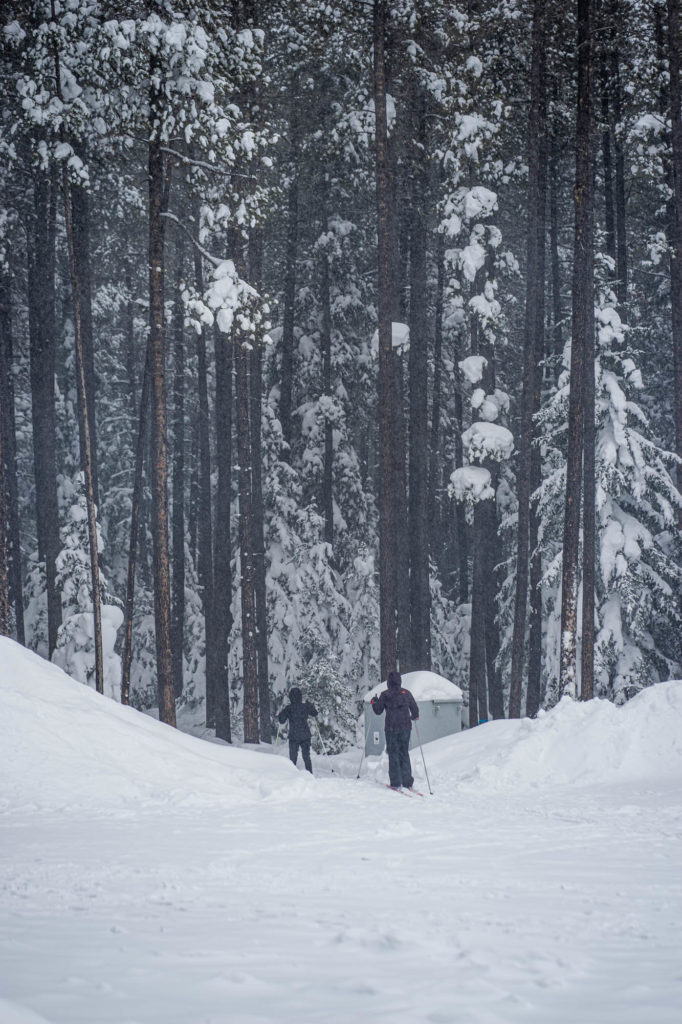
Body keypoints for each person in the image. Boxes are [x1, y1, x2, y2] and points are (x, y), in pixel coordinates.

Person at [371, 670, 419, 789]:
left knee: (393, 754)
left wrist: (374, 702)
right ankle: (407, 781)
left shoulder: (385, 694)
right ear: (399, 681)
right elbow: (415, 708)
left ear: (389, 682)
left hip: (391, 728)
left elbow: (378, 711)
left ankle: (396, 782)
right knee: (404, 753)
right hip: (405, 727)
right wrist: (414, 716)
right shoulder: (406, 693)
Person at [278, 687, 318, 773]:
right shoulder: (305, 706)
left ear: (291, 697)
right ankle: (310, 774)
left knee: (293, 758)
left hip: (294, 736)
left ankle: (293, 776)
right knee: (306, 757)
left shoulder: (289, 708)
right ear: (300, 696)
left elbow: (281, 720)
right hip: (305, 735)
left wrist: (282, 712)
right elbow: (315, 713)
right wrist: (310, 705)